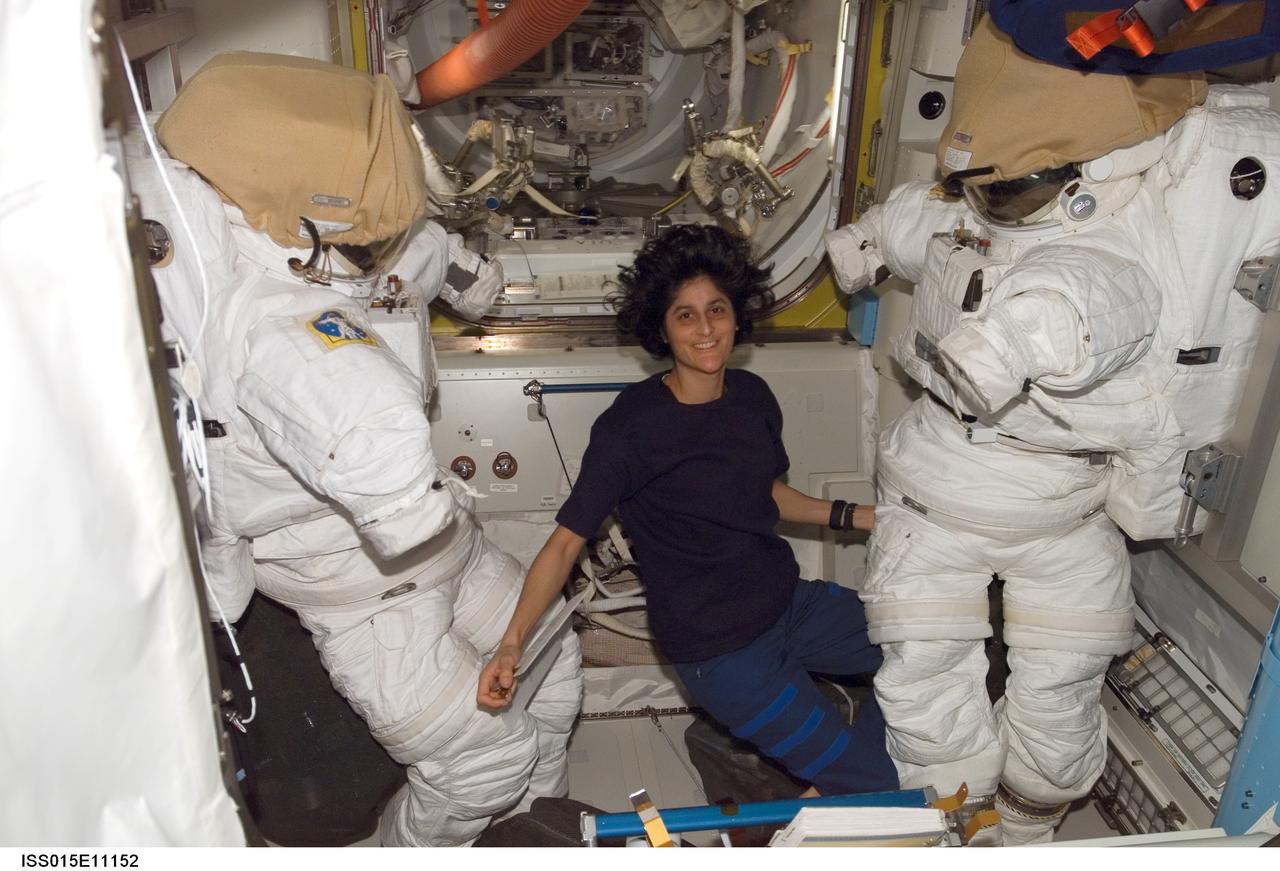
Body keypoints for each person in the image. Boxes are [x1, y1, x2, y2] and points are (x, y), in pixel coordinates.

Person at [132, 52, 583, 847]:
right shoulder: (274, 333)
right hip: (370, 599)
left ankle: (529, 832)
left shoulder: (315, 260)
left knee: (556, 671)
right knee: (484, 761)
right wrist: (406, 497)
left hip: (451, 551)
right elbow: (370, 437)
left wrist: (470, 279)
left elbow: (417, 263)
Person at [823, 16, 1210, 844]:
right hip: (939, 491)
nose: (998, 201)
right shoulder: (969, 210)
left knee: (1060, 680)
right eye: (986, 185)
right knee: (921, 673)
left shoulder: (1104, 246)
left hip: (1060, 501)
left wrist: (997, 349)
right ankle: (960, 819)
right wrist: (860, 245)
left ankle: (1031, 821)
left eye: (1015, 188)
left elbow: (1080, 308)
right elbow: (914, 227)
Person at [477, 224, 899, 799]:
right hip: (724, 653)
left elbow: (764, 493)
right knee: (877, 783)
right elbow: (564, 544)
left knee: (919, 650)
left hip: (789, 605)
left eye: (716, 310)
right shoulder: (630, 429)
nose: (706, 330)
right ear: (662, 327)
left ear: (736, 314)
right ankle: (855, 788)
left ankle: (836, 784)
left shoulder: (751, 397)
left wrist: (860, 516)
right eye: (685, 315)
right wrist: (511, 644)